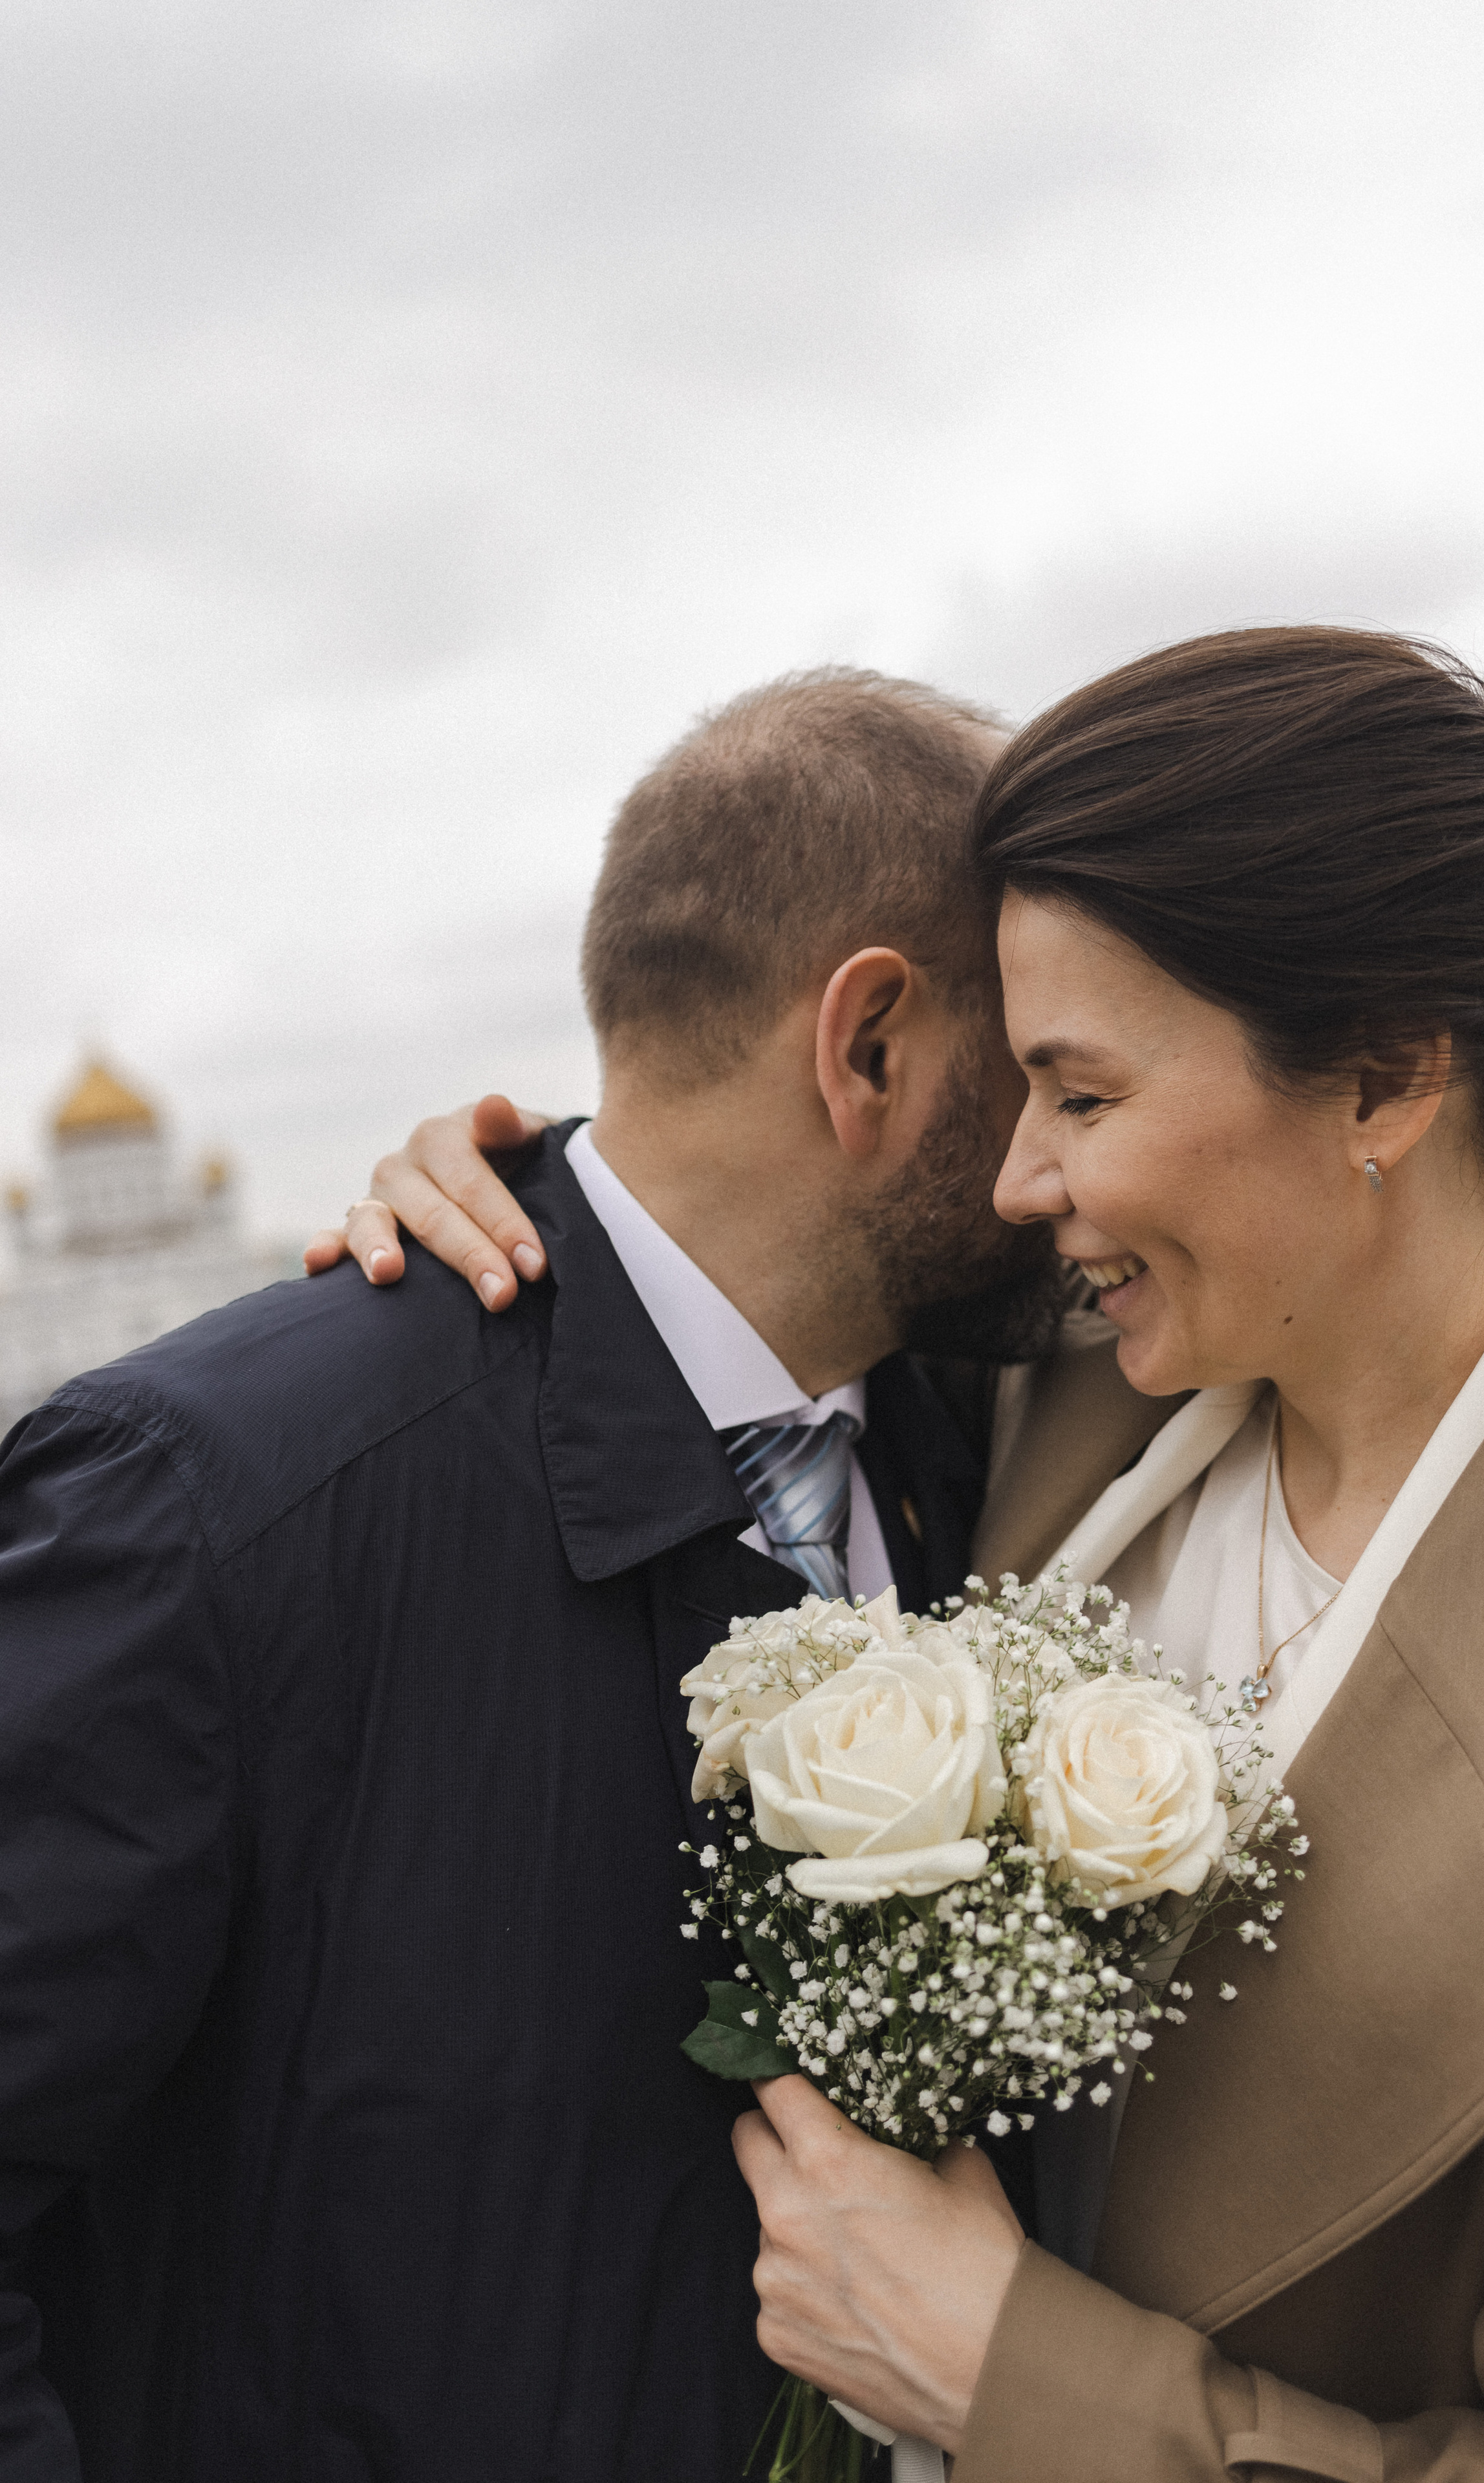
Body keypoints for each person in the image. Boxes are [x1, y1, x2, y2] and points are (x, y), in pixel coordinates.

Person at [0, 668, 1075, 2482]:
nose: (1060, 1165)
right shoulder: (214, 1506)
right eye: (1040, 1069)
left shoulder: (984, 1438)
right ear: (870, 1048)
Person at [714, 629, 1484, 2481]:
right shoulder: (1052, 1377)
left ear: (1384, 1079)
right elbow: (710, 1267)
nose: (1019, 1181)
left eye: (1082, 1096)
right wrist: (502, 1209)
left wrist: (1014, 2383)